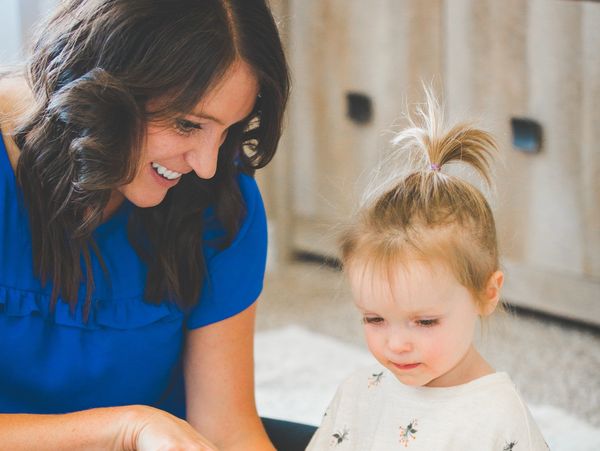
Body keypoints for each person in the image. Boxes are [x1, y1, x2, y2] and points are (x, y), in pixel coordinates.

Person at [0, 0, 290, 449]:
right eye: (187, 123)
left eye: (228, 130)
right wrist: (127, 428)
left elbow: (226, 428)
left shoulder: (222, 206)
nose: (207, 165)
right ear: (103, 86)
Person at [306, 91, 549, 450]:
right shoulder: (360, 392)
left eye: (425, 322)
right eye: (374, 319)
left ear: (488, 294)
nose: (396, 344)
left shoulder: (496, 416)